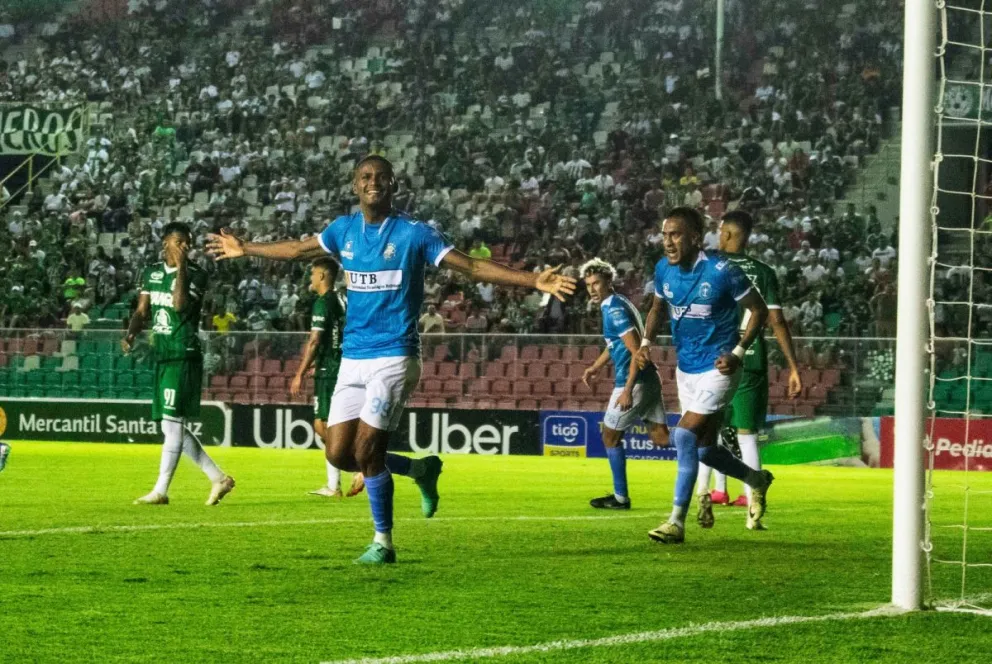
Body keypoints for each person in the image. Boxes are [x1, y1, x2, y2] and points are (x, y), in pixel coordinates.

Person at [207, 156, 576, 564]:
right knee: (337, 454)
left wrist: (531, 280)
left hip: (395, 356)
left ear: (394, 184)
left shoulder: (414, 234)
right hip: (353, 357)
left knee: (366, 451)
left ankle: (383, 542)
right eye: (365, 177)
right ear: (354, 186)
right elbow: (297, 249)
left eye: (381, 177)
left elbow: (470, 266)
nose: (373, 183)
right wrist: (245, 248)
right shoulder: (343, 230)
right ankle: (419, 471)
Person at [635, 207, 773, 544]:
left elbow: (760, 310)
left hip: (719, 368)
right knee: (704, 451)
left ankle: (675, 522)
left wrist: (738, 352)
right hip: (687, 370)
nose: (667, 242)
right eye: (665, 235)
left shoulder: (721, 270)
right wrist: (645, 343)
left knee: (683, 436)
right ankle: (756, 480)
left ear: (696, 238)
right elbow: (656, 309)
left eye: (676, 235)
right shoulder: (663, 270)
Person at [695, 211, 803, 530]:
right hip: (750, 359)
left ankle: (704, 495)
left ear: (726, 234)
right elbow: (777, 322)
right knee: (747, 437)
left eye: (719, 230)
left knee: (708, 431)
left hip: (711, 359)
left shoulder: (707, 267)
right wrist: (794, 367)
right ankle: (753, 514)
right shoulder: (764, 273)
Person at [124, 222, 236, 506]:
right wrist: (131, 332)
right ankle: (218, 477)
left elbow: (179, 305)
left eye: (187, 242)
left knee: (172, 425)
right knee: (170, 427)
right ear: (165, 242)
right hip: (162, 355)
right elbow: (141, 310)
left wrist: (183, 267)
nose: (184, 246)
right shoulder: (150, 272)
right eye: (179, 242)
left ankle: (161, 491)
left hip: (184, 353)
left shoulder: (197, 274)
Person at [580, 258, 670, 510]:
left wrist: (628, 390)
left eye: (596, 283)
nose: (592, 289)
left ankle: (620, 498)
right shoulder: (618, 303)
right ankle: (710, 447)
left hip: (634, 380)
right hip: (650, 378)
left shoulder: (614, 309)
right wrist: (595, 367)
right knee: (662, 439)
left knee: (609, 436)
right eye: (588, 285)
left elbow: (635, 352)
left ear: (609, 281)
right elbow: (615, 345)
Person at [290, 257, 354, 499]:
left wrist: (298, 373)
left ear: (323, 276)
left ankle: (358, 466)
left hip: (329, 372)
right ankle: (334, 483)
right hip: (339, 365)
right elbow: (335, 337)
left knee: (322, 425)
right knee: (328, 425)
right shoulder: (341, 300)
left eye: (313, 274)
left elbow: (315, 340)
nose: (310, 278)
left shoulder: (322, 303)